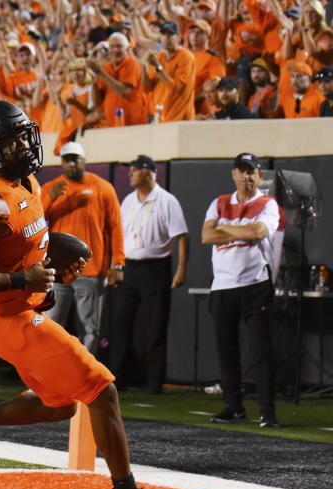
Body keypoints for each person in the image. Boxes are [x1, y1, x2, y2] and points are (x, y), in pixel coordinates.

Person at [0, 100, 175, 489]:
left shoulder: (26, 181)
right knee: (103, 390)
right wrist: (21, 281)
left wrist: (48, 261)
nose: (26, 147)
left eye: (25, 136)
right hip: (6, 317)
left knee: (61, 403)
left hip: (23, 307)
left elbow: (21, 246)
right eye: (12, 142)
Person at [201, 153, 282, 428]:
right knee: (227, 350)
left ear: (260, 176)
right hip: (222, 285)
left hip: (255, 283)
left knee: (261, 350)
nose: (246, 176)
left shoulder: (268, 203)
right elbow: (206, 236)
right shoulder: (219, 202)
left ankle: (267, 411)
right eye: (242, 171)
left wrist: (226, 228)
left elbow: (259, 232)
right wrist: (240, 231)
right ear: (234, 174)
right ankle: (234, 407)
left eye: (252, 172)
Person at [109, 156, 189, 394]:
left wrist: (181, 269)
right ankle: (118, 378)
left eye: (135, 169)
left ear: (150, 173)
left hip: (156, 267)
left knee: (155, 325)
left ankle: (154, 382)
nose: (130, 173)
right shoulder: (128, 201)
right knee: (120, 323)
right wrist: (117, 266)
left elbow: (182, 236)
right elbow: (121, 236)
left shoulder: (167, 201)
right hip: (130, 267)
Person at [40, 141, 124, 353]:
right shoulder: (51, 188)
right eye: (67, 160)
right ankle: (47, 378)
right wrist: (49, 200)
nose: (72, 164)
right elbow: (35, 223)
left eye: (76, 159)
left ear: (84, 160)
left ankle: (87, 378)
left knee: (90, 327)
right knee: (50, 325)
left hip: (91, 269)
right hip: (57, 270)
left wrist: (119, 264)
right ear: (61, 163)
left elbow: (115, 228)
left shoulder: (103, 188)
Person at [87, 32, 149, 127]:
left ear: (127, 49)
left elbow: (124, 91)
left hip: (134, 124)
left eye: (119, 46)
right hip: (112, 125)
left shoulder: (132, 64)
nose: (115, 50)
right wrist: (94, 81)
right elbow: (97, 102)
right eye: (112, 47)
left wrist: (101, 73)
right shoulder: (106, 69)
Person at [145, 22, 196, 122]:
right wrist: (143, 65)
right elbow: (147, 88)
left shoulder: (186, 57)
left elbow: (177, 88)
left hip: (179, 118)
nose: (166, 38)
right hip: (159, 116)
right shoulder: (158, 57)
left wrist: (157, 66)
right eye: (163, 34)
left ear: (179, 38)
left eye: (171, 34)